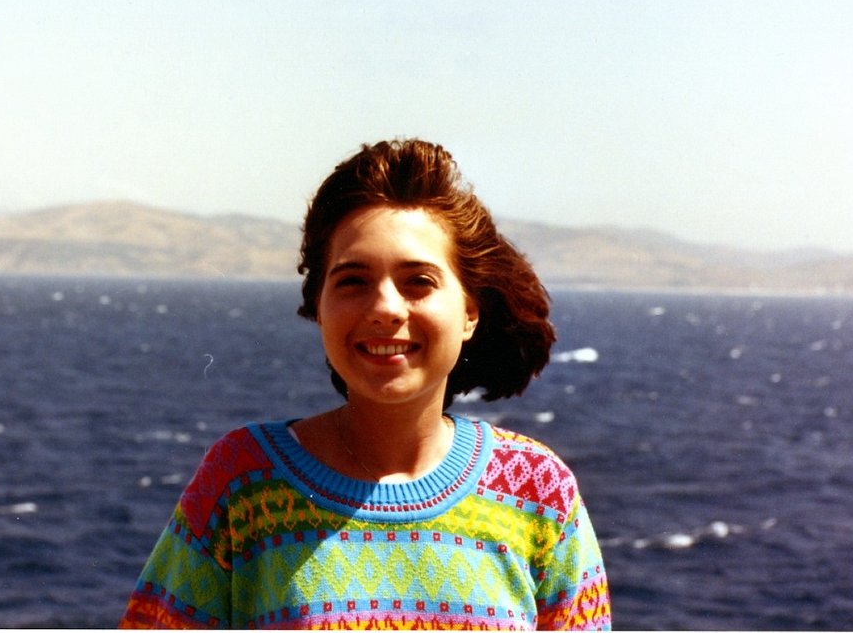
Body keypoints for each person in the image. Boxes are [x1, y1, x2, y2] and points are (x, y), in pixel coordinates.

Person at [120, 139, 611, 630]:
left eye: (418, 281)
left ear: (469, 313)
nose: (384, 308)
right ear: (319, 307)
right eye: (353, 281)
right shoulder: (244, 483)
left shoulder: (537, 490)